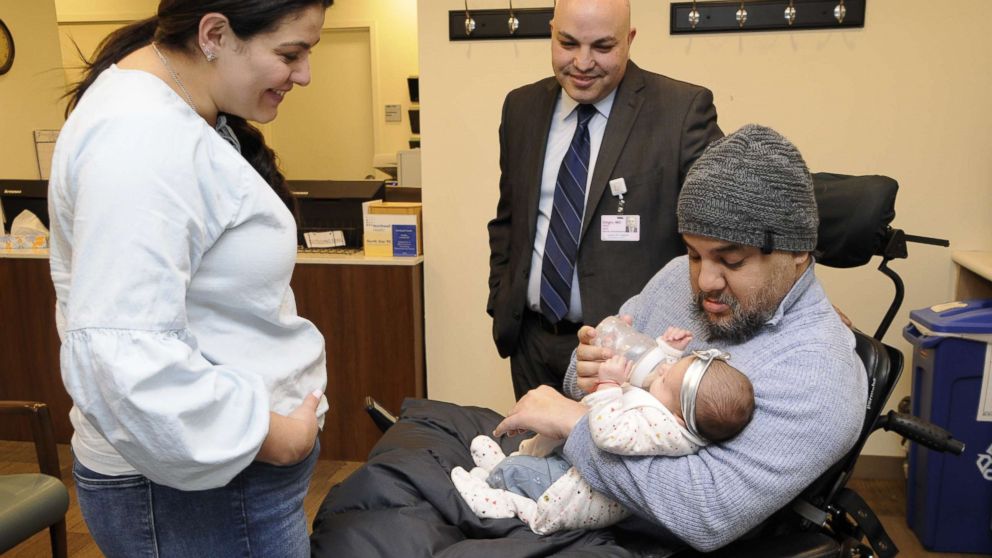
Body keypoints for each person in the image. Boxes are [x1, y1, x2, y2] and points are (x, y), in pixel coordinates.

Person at [493, 124, 869, 551]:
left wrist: (574, 423)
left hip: (627, 540)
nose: (705, 280)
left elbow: (703, 512)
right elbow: (579, 380)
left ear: (797, 252)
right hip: (560, 486)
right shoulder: (676, 277)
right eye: (694, 253)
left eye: (731, 260)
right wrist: (588, 369)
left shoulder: (820, 374)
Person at [48, 1, 334, 556]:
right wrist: (274, 437)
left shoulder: (180, 113)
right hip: (194, 494)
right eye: (289, 54)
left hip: (218, 486)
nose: (304, 75)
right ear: (215, 34)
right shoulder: (141, 137)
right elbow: (123, 353)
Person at [487, 0, 723, 400]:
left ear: (629, 41)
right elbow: (510, 221)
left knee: (605, 462)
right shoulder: (521, 108)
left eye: (602, 47)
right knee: (528, 459)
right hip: (531, 342)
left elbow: (726, 219)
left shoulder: (680, 112)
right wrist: (501, 297)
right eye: (568, 43)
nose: (582, 62)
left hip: (624, 355)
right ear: (551, 32)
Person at [451, 338, 754, 535]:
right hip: (578, 467)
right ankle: (507, 464)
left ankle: (492, 492)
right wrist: (669, 350)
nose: (661, 371)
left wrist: (609, 385)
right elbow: (666, 382)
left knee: (520, 474)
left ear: (677, 418)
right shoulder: (676, 415)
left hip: (572, 493)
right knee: (539, 449)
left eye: (665, 376)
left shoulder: (663, 430)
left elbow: (609, 433)